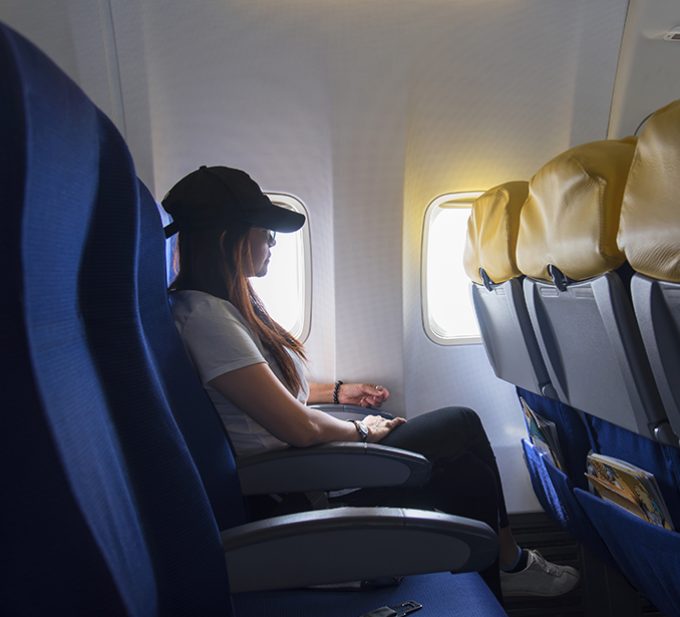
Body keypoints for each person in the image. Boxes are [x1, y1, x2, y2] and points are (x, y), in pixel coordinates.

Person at [162, 165, 579, 601]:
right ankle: (507, 566)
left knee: (465, 469)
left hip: (306, 469)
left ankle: (503, 569)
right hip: (291, 488)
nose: (272, 241)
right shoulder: (206, 318)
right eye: (264, 229)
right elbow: (297, 428)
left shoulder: (225, 307)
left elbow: (263, 392)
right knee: (459, 426)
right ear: (227, 235)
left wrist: (339, 394)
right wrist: (363, 430)